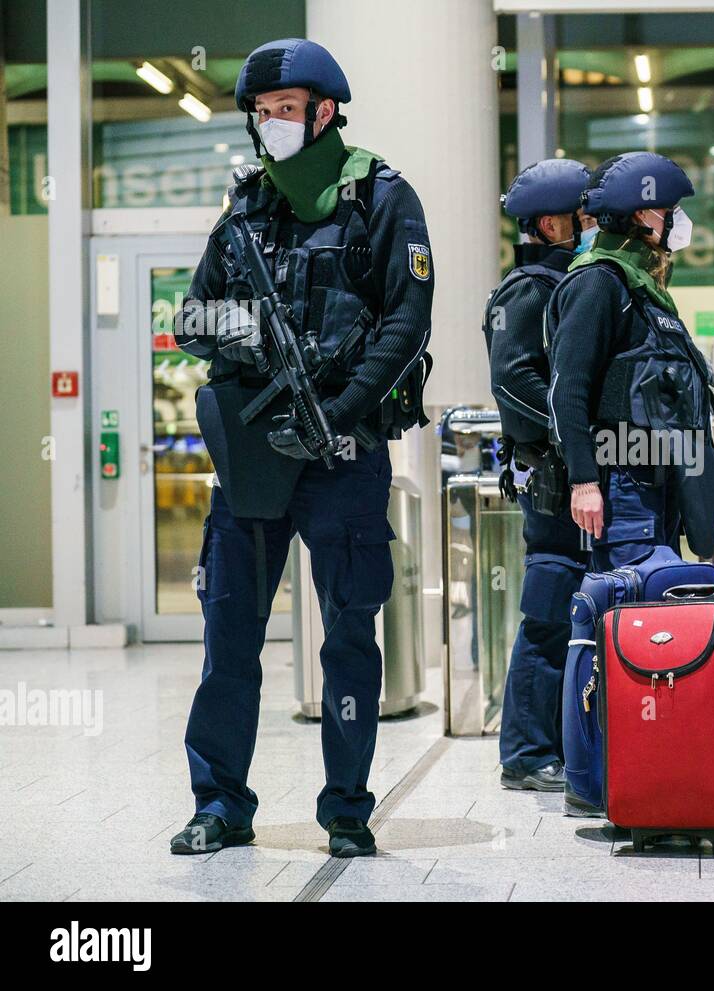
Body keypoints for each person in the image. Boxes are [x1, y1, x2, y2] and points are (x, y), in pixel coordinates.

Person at [169, 38, 433, 858]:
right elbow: (191, 316)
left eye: (284, 110)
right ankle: (220, 802)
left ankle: (347, 807)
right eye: (260, 113)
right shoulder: (245, 207)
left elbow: (405, 319)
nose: (270, 125)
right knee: (229, 636)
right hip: (254, 452)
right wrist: (249, 339)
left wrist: (345, 406)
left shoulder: (383, 198)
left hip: (343, 455)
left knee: (350, 633)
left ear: (323, 112)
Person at [546, 152, 714, 572]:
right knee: (633, 620)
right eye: (670, 211)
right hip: (622, 490)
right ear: (643, 214)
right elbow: (568, 388)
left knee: (659, 618)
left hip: (657, 489)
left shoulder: (642, 286)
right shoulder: (598, 282)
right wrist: (584, 482)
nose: (677, 220)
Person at [484, 159, 595, 792]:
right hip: (549, 475)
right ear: (552, 223)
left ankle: (557, 742)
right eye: (583, 219)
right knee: (550, 608)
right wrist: (569, 434)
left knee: (569, 606)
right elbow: (512, 381)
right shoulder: (529, 288)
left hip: (559, 469)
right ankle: (526, 753)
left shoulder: (563, 281)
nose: (591, 228)